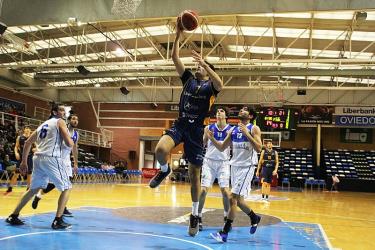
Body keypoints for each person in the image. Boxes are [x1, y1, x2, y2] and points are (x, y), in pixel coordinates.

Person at [148, 17, 223, 237]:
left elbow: (221, 83)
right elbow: (174, 57)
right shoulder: (188, 79)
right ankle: (164, 170)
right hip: (181, 124)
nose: (197, 66)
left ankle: (194, 215)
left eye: (201, 65)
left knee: (194, 175)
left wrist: (206, 64)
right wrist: (178, 35)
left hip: (197, 131)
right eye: (198, 64)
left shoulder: (211, 87)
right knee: (160, 150)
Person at [5, 103, 74, 229]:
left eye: (64, 111)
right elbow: (69, 143)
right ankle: (58, 220)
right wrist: (71, 140)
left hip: (38, 158)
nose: (63, 113)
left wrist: (24, 162)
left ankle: (13, 215)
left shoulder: (43, 124)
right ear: (54, 112)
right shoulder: (60, 122)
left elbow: (27, 143)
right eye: (61, 110)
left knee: (33, 189)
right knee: (67, 187)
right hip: (51, 157)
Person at [207, 107, 263, 243]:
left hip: (247, 166)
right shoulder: (233, 130)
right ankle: (254, 217)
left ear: (250, 115)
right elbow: (221, 147)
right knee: (239, 201)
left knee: (232, 198)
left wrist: (247, 134)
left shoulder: (253, 128)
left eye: (244, 109)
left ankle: (224, 232)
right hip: (235, 166)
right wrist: (212, 138)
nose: (241, 110)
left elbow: (259, 148)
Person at [31, 113, 79, 217]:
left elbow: (74, 148)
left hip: (66, 161)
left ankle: (63, 207)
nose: (75, 121)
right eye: (74, 119)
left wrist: (75, 163)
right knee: (56, 185)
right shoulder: (62, 129)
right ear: (69, 120)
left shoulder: (76, 134)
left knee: (67, 184)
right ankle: (39, 195)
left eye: (77, 120)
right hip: (56, 158)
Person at [198, 107, 231, 231]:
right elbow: (203, 144)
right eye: (217, 111)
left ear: (226, 116)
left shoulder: (231, 130)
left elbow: (231, 147)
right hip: (209, 162)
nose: (218, 113)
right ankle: (198, 217)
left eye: (221, 111)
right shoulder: (208, 128)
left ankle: (226, 217)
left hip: (224, 163)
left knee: (225, 192)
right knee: (203, 191)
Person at [3, 127, 32, 195]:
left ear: (30, 130)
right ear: (24, 130)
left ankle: (28, 188)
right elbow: (16, 146)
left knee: (29, 173)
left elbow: (36, 146)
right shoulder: (19, 137)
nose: (27, 129)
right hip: (22, 156)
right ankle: (10, 188)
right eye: (26, 128)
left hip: (30, 156)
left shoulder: (32, 137)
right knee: (16, 172)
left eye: (29, 129)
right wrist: (16, 153)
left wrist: (36, 149)